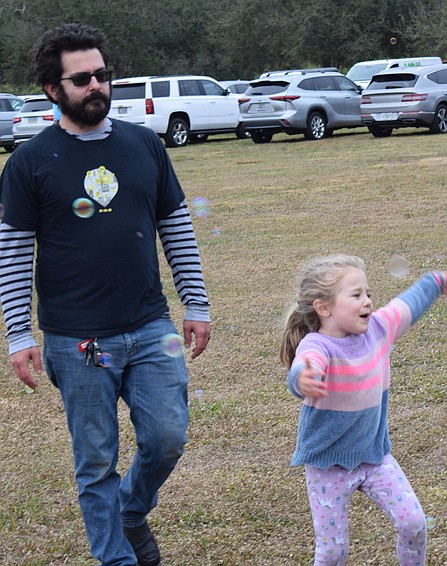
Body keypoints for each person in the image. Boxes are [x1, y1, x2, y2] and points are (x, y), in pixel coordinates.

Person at [0, 23, 211, 566]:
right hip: (78, 340)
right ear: (53, 89)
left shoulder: (144, 143)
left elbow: (177, 226)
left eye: (102, 74)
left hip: (149, 325)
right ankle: (117, 558)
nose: (96, 85)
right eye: (82, 79)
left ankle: (131, 511)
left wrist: (196, 302)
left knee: (167, 436)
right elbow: (15, 252)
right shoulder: (29, 162)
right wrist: (19, 332)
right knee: (95, 461)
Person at [281, 255, 447, 565]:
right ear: (324, 308)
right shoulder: (317, 345)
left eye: (368, 293)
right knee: (333, 552)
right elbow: (305, 362)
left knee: (413, 523)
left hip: (375, 457)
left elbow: (407, 304)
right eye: (356, 295)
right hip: (327, 466)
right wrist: (303, 377)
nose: (367, 301)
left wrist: (434, 281)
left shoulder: (378, 329)